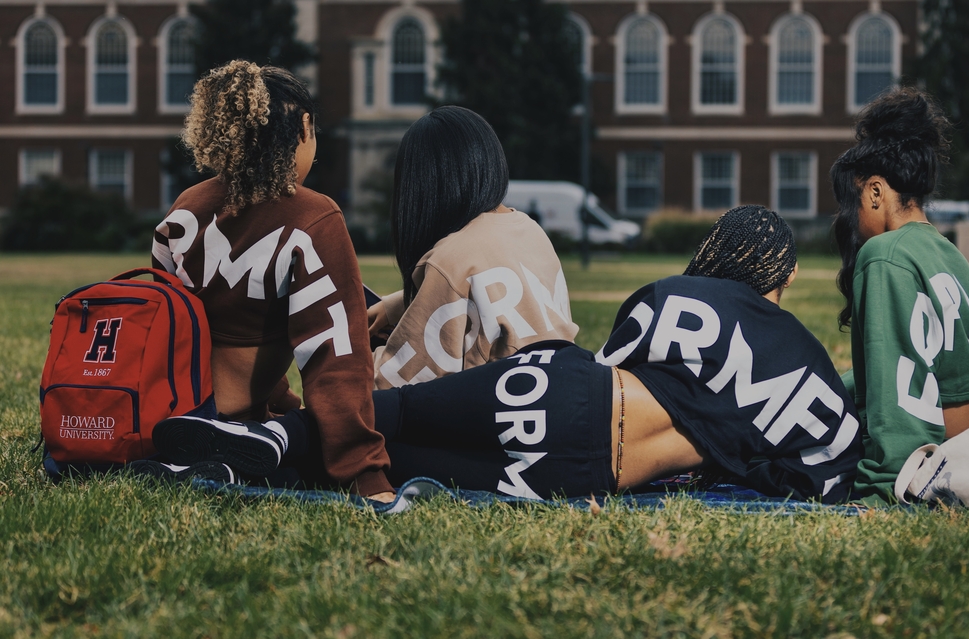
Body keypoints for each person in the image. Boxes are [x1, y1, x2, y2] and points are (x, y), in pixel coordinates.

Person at [151, 206, 862, 504]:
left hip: (568, 398)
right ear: (786, 280)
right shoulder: (813, 376)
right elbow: (816, 479)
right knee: (401, 465)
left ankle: (261, 437)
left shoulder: (680, 295)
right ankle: (257, 467)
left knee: (385, 415)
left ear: (714, 250)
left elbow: (609, 362)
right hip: (584, 477)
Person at [146, 60, 393, 500]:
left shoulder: (185, 208)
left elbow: (184, 325)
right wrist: (365, 476)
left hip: (168, 414)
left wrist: (279, 402)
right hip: (236, 419)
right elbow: (336, 358)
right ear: (302, 128)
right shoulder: (313, 217)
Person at [830, 87, 969, 502]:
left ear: (875, 192)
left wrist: (883, 491)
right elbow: (933, 358)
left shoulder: (883, 256)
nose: (847, 218)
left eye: (849, 203)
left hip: (937, 460)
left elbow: (898, 395)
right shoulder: (947, 252)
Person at [367, 106, 579, 389]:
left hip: (504, 413)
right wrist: (398, 305)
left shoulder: (451, 259)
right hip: (559, 393)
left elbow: (393, 383)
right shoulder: (530, 230)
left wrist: (355, 357)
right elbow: (502, 291)